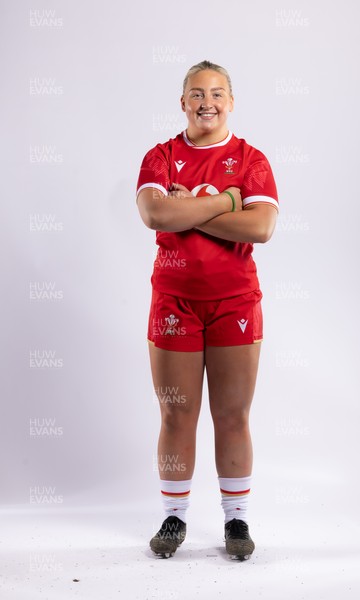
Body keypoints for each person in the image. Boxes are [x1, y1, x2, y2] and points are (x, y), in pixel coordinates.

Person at [136, 60, 279, 560]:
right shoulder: (161, 156)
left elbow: (260, 228)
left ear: (231, 102)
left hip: (235, 301)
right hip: (173, 302)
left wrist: (192, 210)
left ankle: (236, 522)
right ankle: (173, 518)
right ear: (182, 102)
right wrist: (227, 202)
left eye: (217, 93)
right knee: (177, 412)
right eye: (196, 93)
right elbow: (156, 213)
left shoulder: (251, 159)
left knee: (233, 414)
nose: (207, 102)